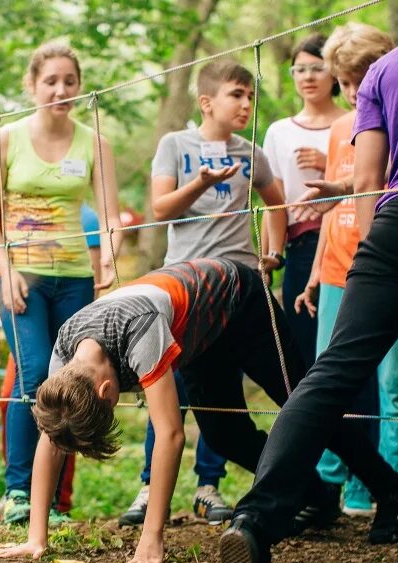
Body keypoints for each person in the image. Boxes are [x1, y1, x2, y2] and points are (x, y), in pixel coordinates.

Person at [221, 1, 398, 563]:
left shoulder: (387, 70)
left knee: (329, 375)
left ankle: (255, 522)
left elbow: (369, 182)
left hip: (395, 222)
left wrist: (381, 271)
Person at [0, 258, 398, 563]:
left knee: (305, 404)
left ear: (105, 390)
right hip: (197, 331)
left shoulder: (140, 332)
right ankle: (315, 496)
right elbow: (52, 438)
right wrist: (35, 538)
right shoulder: (64, 356)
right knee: (225, 436)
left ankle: (390, 490)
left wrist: (151, 539)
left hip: (240, 301)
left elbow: (171, 435)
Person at [119, 59, 289, 528]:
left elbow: (277, 203)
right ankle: (151, 485)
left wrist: (273, 252)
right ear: (207, 101)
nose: (247, 104)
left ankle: (209, 486)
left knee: (225, 393)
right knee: (172, 388)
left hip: (237, 290)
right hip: (185, 289)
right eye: (237, 94)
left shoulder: (251, 152)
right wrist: (201, 183)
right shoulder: (176, 145)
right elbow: (160, 207)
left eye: (251, 96)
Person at [0, 40, 122, 526]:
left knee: (72, 383)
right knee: (34, 376)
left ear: (79, 85)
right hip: (23, 280)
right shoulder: (5, 139)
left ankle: (56, 501)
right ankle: (19, 491)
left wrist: (111, 260)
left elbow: (109, 217)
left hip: (76, 280)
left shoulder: (94, 140)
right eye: (51, 81)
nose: (61, 89)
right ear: (32, 86)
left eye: (70, 81)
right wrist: (5, 268)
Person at [289, 23, 398, 520]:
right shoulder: (343, 127)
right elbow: (336, 204)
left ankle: (392, 486)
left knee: (395, 386)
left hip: (391, 262)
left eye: (360, 77)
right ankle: (329, 486)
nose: (353, 90)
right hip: (342, 268)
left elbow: (374, 182)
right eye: (345, 82)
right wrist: (316, 273)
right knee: (328, 379)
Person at [261, 33, 347, 370]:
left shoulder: (353, 120)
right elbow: (275, 203)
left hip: (348, 240)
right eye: (299, 69)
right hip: (300, 248)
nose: (308, 77)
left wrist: (329, 163)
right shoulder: (279, 132)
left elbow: (371, 176)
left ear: (334, 73)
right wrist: (273, 255)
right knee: (306, 346)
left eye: (317, 68)